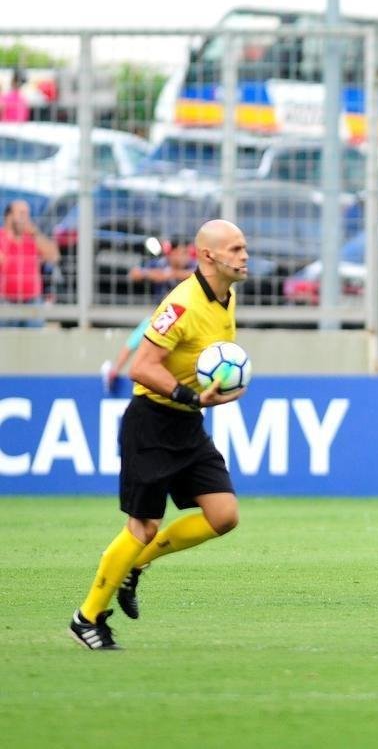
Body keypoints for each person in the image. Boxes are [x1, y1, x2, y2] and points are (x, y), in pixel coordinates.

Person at [69, 219, 250, 650]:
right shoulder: (182, 304)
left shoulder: (228, 296)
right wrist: (192, 397)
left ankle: (136, 567)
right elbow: (142, 366)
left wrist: (223, 387)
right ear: (208, 255)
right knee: (143, 526)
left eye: (245, 248)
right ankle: (87, 616)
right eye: (236, 248)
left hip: (187, 424)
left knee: (223, 515)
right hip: (152, 422)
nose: (245, 256)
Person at [0, 199, 60, 327]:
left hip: (32, 301)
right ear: (9, 216)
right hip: (5, 301)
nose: (26, 218)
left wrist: (35, 234)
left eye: (28, 214)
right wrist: (10, 236)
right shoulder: (1, 236)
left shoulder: (32, 237)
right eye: (22, 214)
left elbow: (54, 256)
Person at [129, 237, 196, 300]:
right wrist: (153, 274)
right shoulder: (159, 263)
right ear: (172, 252)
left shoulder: (192, 264)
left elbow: (201, 274)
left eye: (187, 253)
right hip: (159, 306)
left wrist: (173, 274)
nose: (186, 257)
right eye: (183, 253)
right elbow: (134, 274)